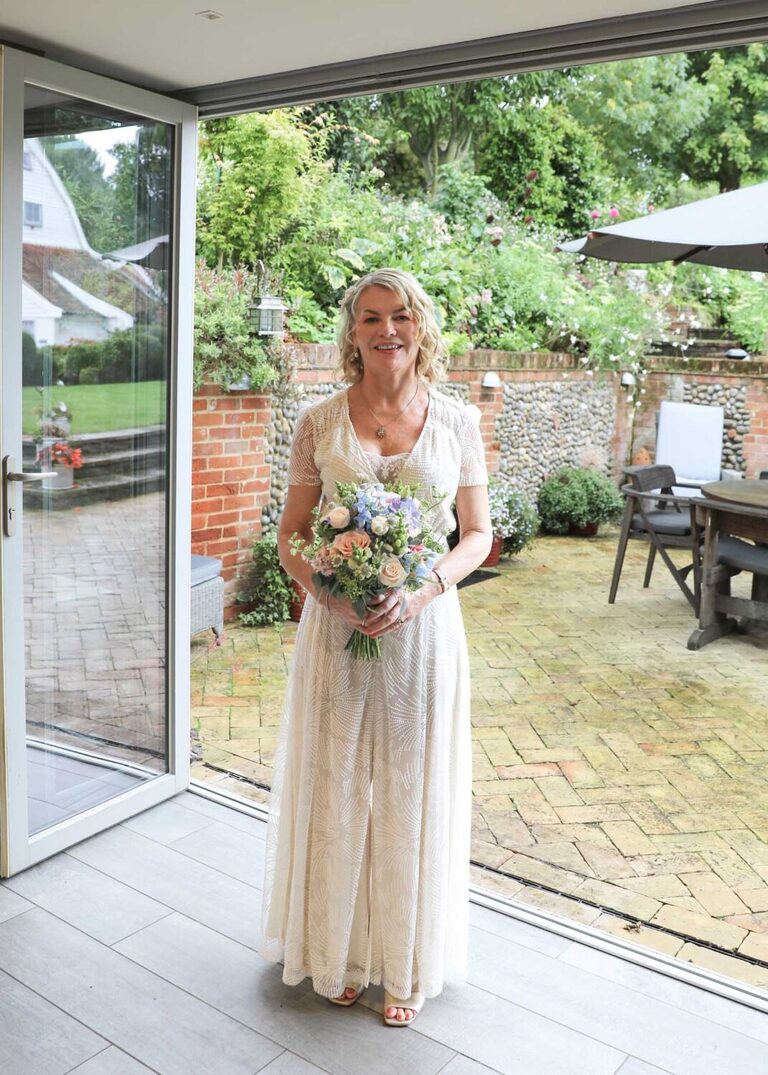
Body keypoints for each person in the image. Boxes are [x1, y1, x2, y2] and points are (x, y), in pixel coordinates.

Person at [258, 267, 491, 1026]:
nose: (386, 330)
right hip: (336, 633)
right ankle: (339, 953)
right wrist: (321, 588)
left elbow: (478, 536)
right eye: (370, 317)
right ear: (352, 331)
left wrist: (422, 590)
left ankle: (404, 964)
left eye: (399, 316)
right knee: (336, 788)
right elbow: (291, 533)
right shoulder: (319, 421)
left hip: (423, 638)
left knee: (407, 792)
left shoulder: (457, 422)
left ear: (419, 325)